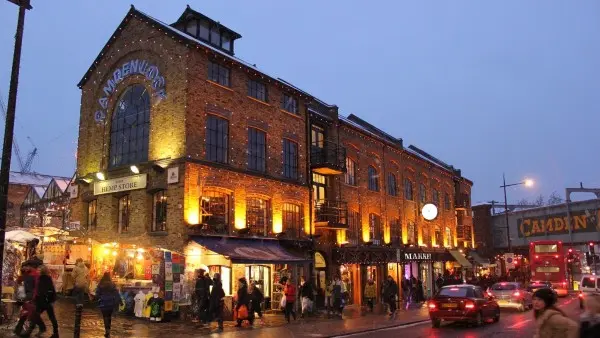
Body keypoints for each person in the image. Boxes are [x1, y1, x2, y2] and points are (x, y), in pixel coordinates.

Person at [95, 272, 122, 338]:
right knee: (109, 317)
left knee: (105, 317)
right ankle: (108, 330)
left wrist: (96, 299)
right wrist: (120, 301)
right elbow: (116, 294)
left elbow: (97, 294)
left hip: (103, 303)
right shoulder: (112, 284)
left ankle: (107, 330)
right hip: (111, 303)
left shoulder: (100, 284)